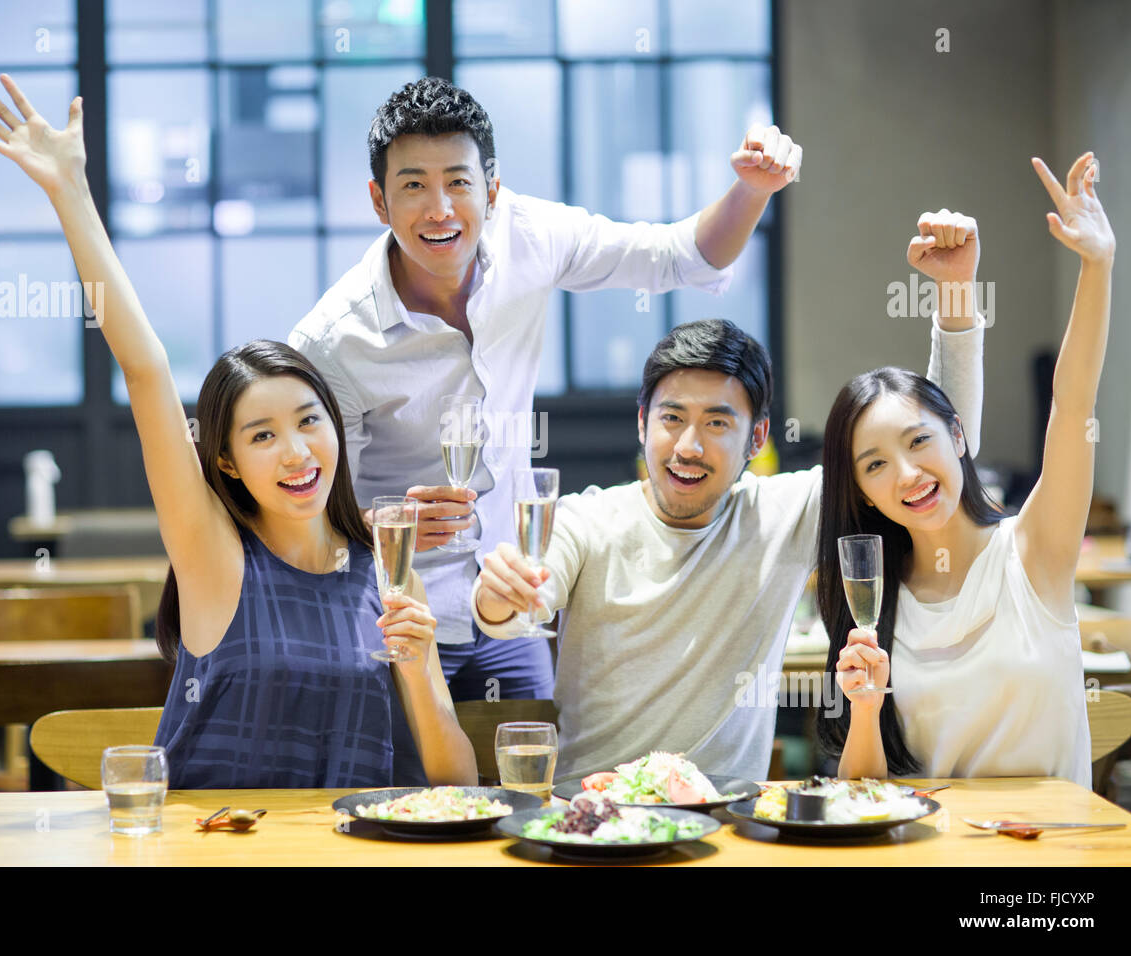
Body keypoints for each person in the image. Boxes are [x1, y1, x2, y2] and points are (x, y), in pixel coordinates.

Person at [0, 75, 476, 790]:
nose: (297, 452)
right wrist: (70, 192)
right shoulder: (215, 557)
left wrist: (421, 670)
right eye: (261, 436)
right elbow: (144, 370)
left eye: (309, 421)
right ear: (228, 463)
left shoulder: (387, 571)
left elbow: (456, 784)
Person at [290, 76, 804, 702]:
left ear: (493, 188)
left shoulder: (531, 236)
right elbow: (298, 511)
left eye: (458, 181)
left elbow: (681, 256)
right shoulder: (332, 340)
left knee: (534, 779)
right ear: (379, 201)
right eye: (413, 186)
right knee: (407, 795)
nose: (440, 209)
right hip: (393, 616)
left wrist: (753, 189)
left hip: (510, 599)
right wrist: (380, 524)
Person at [471, 206, 987, 779]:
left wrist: (957, 293)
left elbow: (938, 440)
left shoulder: (781, 515)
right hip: (594, 823)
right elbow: (516, 610)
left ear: (756, 437)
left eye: (718, 423)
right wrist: (499, 595)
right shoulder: (584, 521)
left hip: (728, 829)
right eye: (672, 418)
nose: (689, 446)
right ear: (642, 423)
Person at [817, 154, 1112, 786]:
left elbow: (1073, 404)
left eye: (919, 440)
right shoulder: (874, 604)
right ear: (863, 493)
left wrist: (1097, 265)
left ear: (958, 435)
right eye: (874, 464)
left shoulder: (1034, 552)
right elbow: (866, 795)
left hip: (1050, 869)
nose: (907, 474)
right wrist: (865, 709)